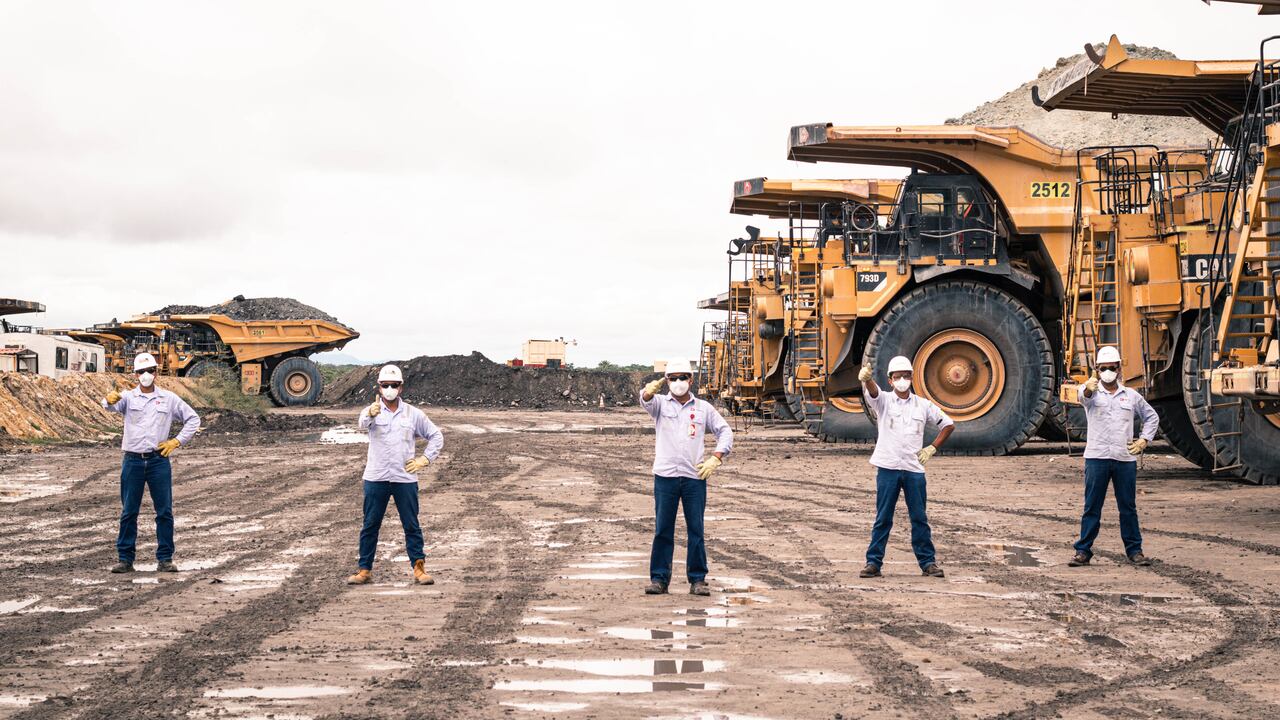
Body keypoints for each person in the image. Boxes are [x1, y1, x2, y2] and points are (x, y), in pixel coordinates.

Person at [639, 358, 733, 597]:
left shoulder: (703, 408)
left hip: (694, 477)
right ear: (666, 381)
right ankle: (659, 579)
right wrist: (648, 391)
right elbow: (645, 400)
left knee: (696, 530)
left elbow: (725, 431)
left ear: (691, 380)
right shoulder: (660, 404)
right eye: (673, 378)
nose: (678, 382)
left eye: (683, 377)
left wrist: (716, 457)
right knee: (663, 529)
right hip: (666, 476)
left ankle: (698, 580)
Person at [102, 352, 201, 574]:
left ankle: (165, 559)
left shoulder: (169, 398)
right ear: (135, 374)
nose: (145, 375)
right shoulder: (127, 398)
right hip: (133, 461)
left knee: (164, 511)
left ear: (156, 372)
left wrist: (176, 441)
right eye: (141, 371)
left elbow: (193, 419)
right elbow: (109, 406)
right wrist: (108, 400)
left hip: (158, 461)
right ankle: (125, 559)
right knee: (129, 512)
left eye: (149, 371)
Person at [857, 355, 954, 579]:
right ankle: (873, 563)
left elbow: (948, 425)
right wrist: (868, 380)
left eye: (906, 376)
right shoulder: (884, 402)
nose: (902, 380)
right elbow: (873, 393)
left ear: (912, 377)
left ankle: (928, 563)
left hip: (914, 470)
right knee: (883, 518)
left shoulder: (923, 405)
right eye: (898, 376)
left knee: (919, 518)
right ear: (890, 380)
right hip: (888, 468)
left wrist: (932, 448)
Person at [347, 364, 444, 586]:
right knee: (370, 525)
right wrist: (369, 414)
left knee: (411, 524)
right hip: (376, 477)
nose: (389, 389)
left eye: (394, 385)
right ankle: (364, 570)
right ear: (379, 387)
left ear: (401, 387)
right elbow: (362, 424)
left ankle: (419, 569)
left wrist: (424, 459)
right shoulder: (372, 411)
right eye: (385, 385)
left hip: (404, 479)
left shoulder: (413, 414)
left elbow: (436, 436)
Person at [1069, 345, 1159, 568]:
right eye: (1103, 368)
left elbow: (1152, 417)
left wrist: (1144, 440)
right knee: (1092, 507)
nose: (1108, 371)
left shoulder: (1131, 396)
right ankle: (1083, 551)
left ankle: (1135, 551)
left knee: (1128, 507)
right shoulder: (1091, 392)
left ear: (1119, 368)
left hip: (1124, 459)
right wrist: (1088, 389)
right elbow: (1083, 397)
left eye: (1111, 367)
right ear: (1097, 369)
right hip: (1097, 458)